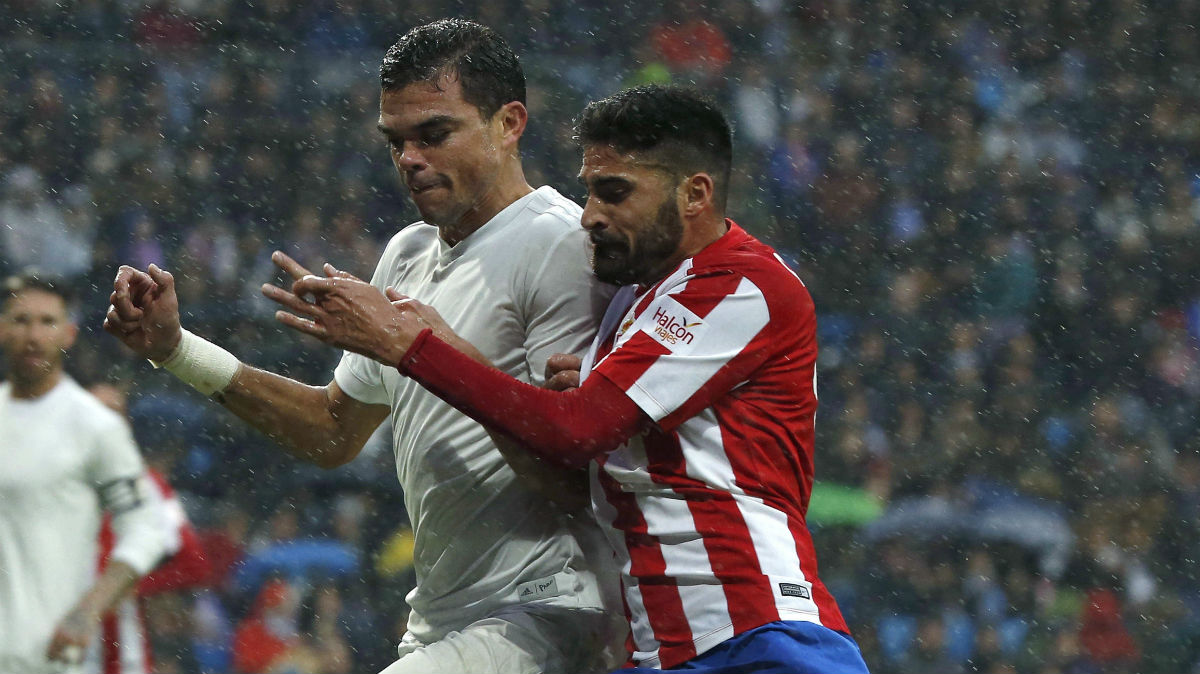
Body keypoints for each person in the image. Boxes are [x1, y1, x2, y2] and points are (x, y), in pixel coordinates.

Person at [268, 85, 873, 673]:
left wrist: (415, 348)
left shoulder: (745, 285)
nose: (590, 217)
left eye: (615, 193)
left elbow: (577, 431)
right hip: (660, 649)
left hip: (760, 636)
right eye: (589, 192)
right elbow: (569, 457)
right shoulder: (631, 306)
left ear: (695, 193)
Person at [103, 19, 620, 674]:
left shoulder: (563, 246)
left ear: (509, 122)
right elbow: (332, 431)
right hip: (444, 620)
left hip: (551, 612)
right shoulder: (405, 254)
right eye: (395, 141)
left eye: (434, 134)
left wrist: (416, 346)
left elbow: (570, 473)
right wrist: (177, 349)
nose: (408, 158)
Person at [0, 273, 172, 674]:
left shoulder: (95, 426)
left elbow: (147, 527)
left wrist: (89, 610)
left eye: (47, 322)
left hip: (48, 661)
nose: (33, 334)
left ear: (70, 334)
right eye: (22, 320)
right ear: (2, 328)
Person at [89, 383, 212, 674]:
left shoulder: (149, 485)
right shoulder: (46, 482)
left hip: (117, 639)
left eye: (113, 415)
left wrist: (127, 585)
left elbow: (195, 565)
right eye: (93, 413)